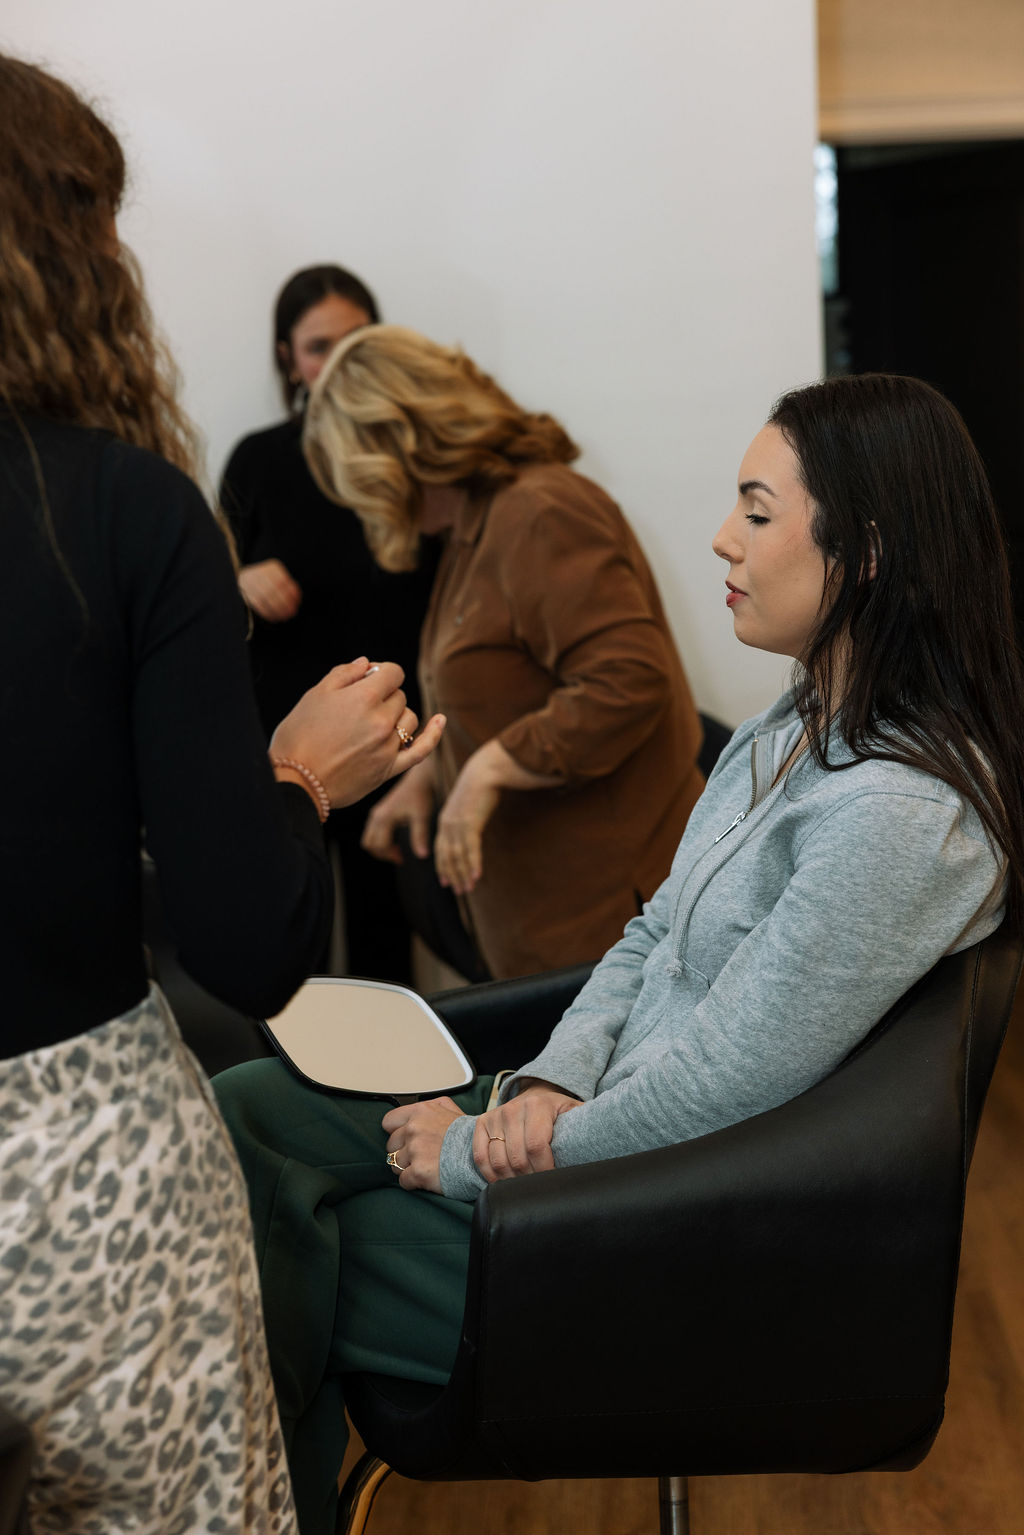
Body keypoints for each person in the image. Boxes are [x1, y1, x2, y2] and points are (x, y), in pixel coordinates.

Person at [215, 369, 1024, 1534]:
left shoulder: (899, 821)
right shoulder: (786, 728)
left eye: (755, 508)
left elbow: (726, 1083)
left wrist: (472, 1158)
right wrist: (549, 1079)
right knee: (251, 1102)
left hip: (647, 1222)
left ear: (870, 551)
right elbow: (652, 934)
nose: (718, 536)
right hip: (594, 1137)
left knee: (263, 1253)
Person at [0, 55, 444, 1535]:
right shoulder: (128, 507)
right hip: (83, 1188)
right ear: (66, 247)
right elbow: (249, 943)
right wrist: (304, 774)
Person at [302, 324, 706, 978]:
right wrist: (433, 778)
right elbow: (508, 691)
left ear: (397, 447)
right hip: (543, 925)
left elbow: (627, 680)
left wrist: (488, 768)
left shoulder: (540, 511)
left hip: (617, 927)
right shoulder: (473, 530)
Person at [220, 270, 439, 981]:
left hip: (396, 732)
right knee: (291, 947)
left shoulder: (415, 460)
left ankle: (397, 1090)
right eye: (319, 347)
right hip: (292, 744)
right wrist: (240, 581)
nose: (339, 362)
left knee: (388, 943)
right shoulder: (257, 460)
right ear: (288, 358)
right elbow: (199, 604)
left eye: (356, 342)